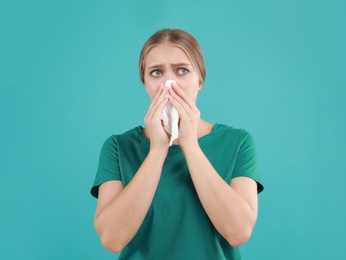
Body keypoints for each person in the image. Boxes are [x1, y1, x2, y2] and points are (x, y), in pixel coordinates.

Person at [90, 28, 264, 259]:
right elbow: (112, 239)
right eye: (156, 72)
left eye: (182, 70)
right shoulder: (118, 147)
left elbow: (238, 232)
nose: (169, 84)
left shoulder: (238, 142)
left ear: (200, 79)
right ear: (145, 82)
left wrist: (189, 144)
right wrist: (158, 150)